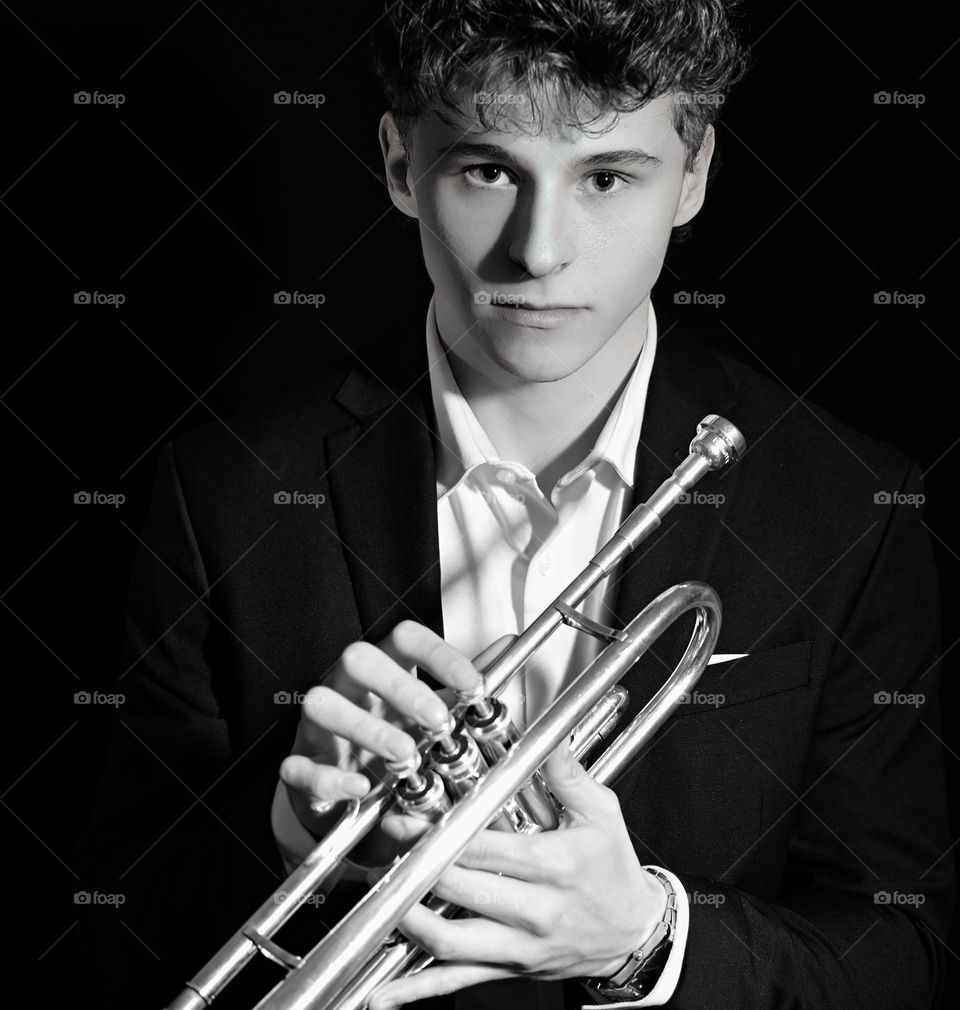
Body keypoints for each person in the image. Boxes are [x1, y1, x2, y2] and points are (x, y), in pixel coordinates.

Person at [76, 2, 955, 1008]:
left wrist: (649, 938)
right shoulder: (223, 486)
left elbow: (905, 948)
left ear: (695, 174)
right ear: (403, 166)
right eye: (489, 170)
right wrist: (292, 839)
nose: (539, 252)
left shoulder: (849, 500)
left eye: (609, 177)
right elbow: (118, 924)